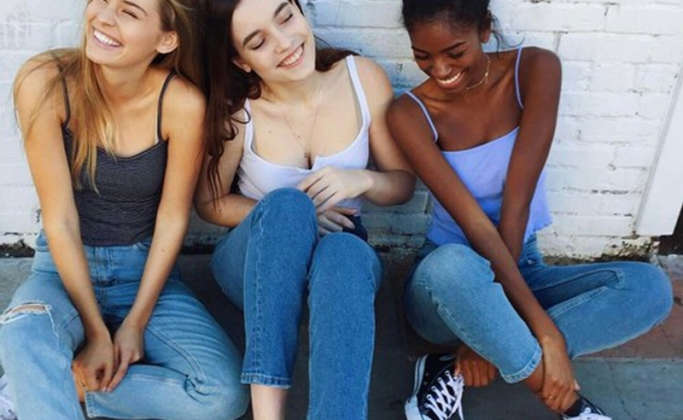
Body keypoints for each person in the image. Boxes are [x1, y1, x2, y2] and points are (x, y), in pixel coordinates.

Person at [387, 1, 674, 419]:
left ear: (485, 30)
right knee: (452, 266)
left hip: (522, 263)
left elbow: (517, 203)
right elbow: (474, 225)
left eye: (455, 52)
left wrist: (491, 330)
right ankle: (575, 409)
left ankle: (459, 362)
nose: (440, 69)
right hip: (446, 286)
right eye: (422, 56)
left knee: (650, 289)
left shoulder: (536, 69)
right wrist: (544, 334)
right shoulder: (408, 114)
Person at [0, 0, 248, 419]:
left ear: (166, 40)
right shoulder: (46, 81)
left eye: (129, 12)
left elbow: (172, 219)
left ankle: (50, 385)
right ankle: (36, 376)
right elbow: (60, 221)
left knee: (223, 396)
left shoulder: (181, 103)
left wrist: (136, 322)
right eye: (103, 0)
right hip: (61, 270)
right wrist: (96, 332)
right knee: (22, 333)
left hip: (144, 273)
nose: (104, 16)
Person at [194, 0, 416, 418]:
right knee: (288, 205)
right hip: (254, 265)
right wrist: (298, 216)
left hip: (338, 260)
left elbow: (403, 183)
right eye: (258, 42)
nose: (285, 42)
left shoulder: (361, 78)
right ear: (241, 61)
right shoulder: (239, 113)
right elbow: (209, 202)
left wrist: (362, 180)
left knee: (347, 252)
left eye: (286, 17)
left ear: (300, 10)